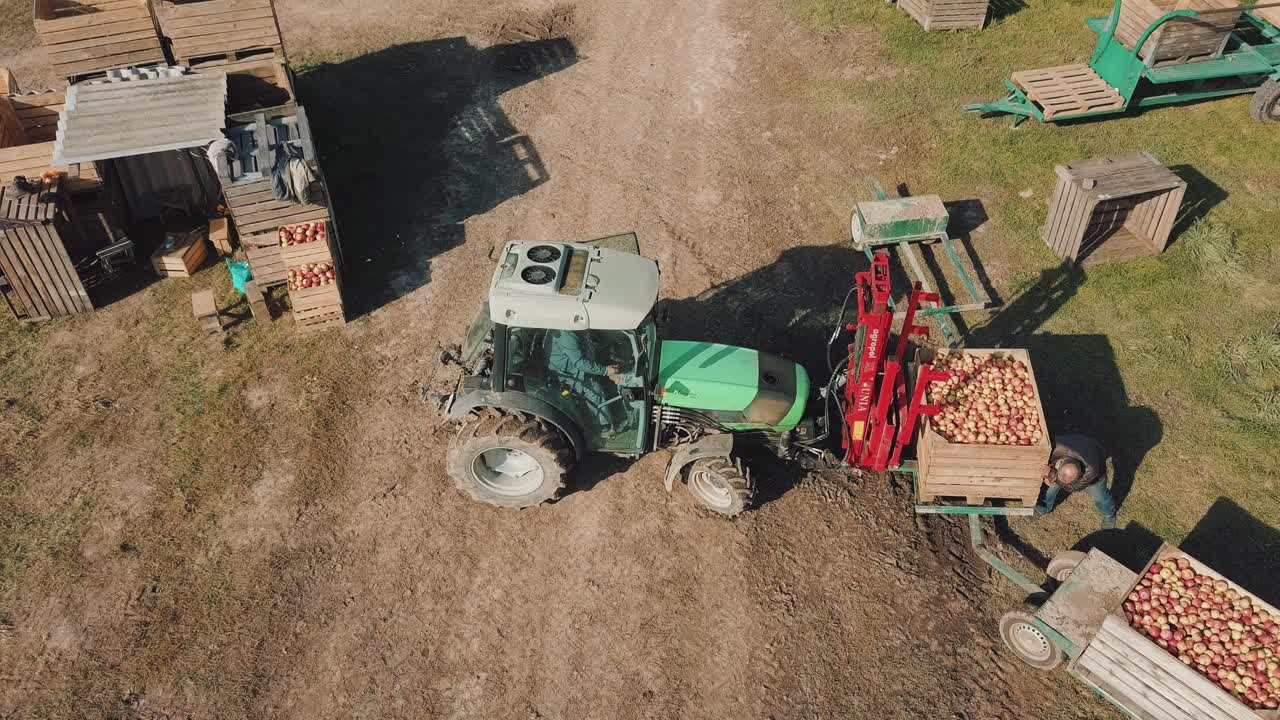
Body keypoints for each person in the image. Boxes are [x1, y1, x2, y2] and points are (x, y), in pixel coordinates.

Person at [1036, 433, 1118, 530]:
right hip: (1074, 443)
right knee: (1049, 489)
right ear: (1061, 461)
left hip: (1093, 454)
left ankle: (1109, 515)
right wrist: (1047, 473)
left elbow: (1075, 487)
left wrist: (1053, 476)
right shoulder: (1053, 447)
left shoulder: (1091, 470)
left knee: (1101, 496)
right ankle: (1042, 509)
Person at [546, 329, 623, 432]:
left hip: (576, 364)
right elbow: (580, 363)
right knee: (595, 392)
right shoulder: (565, 335)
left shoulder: (572, 329)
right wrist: (605, 370)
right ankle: (604, 427)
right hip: (569, 373)